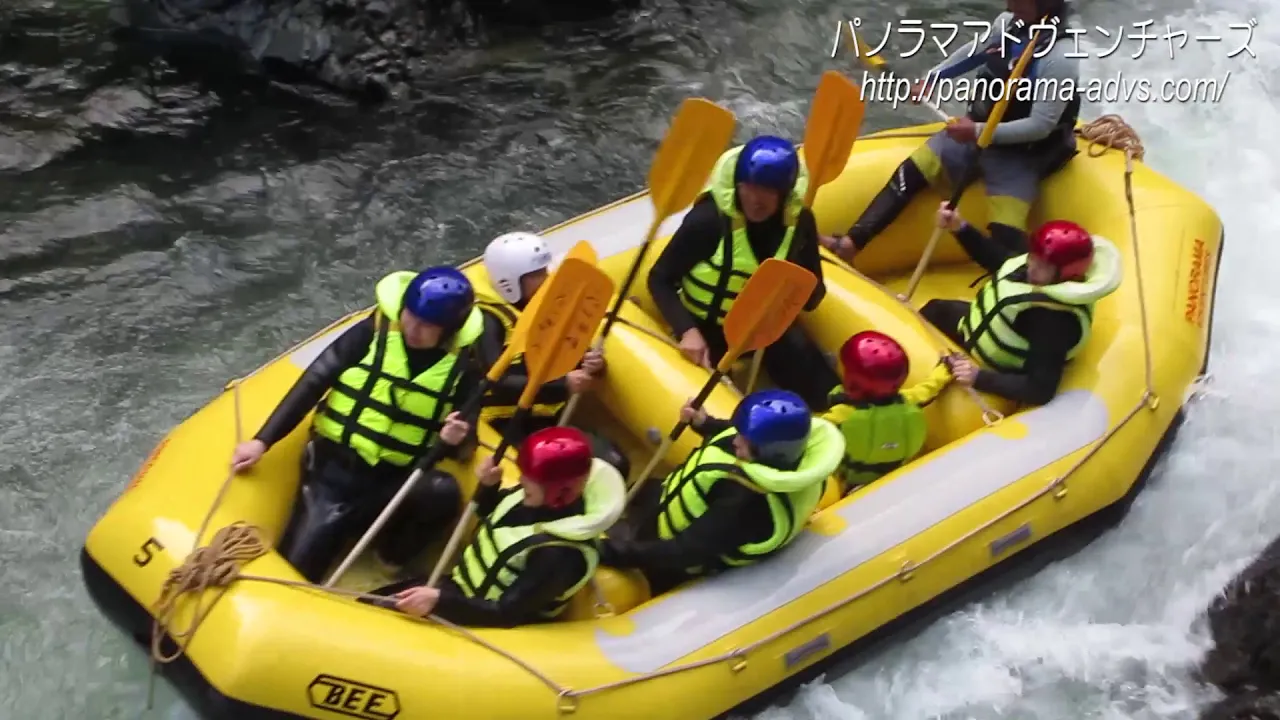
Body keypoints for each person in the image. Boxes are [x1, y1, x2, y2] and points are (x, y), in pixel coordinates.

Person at [229, 267, 486, 582]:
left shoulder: (464, 367)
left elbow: (466, 444)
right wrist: (262, 441)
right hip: (332, 476)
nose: (414, 328)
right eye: (410, 315)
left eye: (427, 325)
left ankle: (389, 558)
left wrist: (458, 438)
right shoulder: (371, 333)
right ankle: (331, 535)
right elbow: (313, 382)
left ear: (448, 330)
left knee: (442, 492)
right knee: (296, 573)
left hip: (394, 482)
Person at [823, 0, 1080, 259]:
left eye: (1019, 2)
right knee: (911, 171)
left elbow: (1040, 126)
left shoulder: (1060, 58)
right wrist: (932, 79)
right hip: (976, 132)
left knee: (1006, 235)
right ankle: (849, 245)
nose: (1010, 6)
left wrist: (977, 131)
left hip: (1020, 155)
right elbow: (976, 51)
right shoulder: (1008, 23)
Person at [647, 135, 840, 408]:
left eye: (768, 192)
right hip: (705, 329)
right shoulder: (708, 221)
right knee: (705, 405)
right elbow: (659, 278)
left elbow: (813, 294)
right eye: (749, 188)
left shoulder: (800, 223)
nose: (756, 200)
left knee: (817, 378)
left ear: (784, 194)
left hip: (765, 329)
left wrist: (790, 291)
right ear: (738, 185)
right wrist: (687, 330)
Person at [600, 390, 843, 593]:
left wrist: (609, 552)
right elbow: (729, 432)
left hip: (677, 557)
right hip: (673, 501)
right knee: (638, 492)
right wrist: (705, 423)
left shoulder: (745, 505)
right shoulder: (787, 455)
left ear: (770, 452)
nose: (736, 441)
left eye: (745, 441)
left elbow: (682, 551)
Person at [384, 427, 626, 627]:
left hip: (484, 623)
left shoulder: (560, 555)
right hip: (458, 591)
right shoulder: (531, 496)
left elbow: (507, 614)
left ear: (561, 490)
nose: (521, 480)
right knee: (371, 605)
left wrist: (440, 602)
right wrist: (488, 487)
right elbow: (494, 523)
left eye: (531, 479)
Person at [921, 202, 1121, 406]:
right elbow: (997, 259)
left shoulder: (1053, 321)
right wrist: (960, 227)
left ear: (1066, 276)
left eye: (1043, 266)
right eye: (1033, 257)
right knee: (937, 309)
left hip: (1002, 361)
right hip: (982, 328)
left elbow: (1040, 389)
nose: (1031, 267)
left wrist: (979, 378)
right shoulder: (1036, 270)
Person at [473, 231, 630, 477]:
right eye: (536, 275)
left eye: (545, 271)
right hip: (506, 425)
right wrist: (563, 384)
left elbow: (572, 351)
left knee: (614, 462)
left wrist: (594, 364)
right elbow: (497, 382)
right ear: (509, 282)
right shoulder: (488, 321)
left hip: (546, 420)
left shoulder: (553, 308)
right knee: (550, 472)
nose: (546, 279)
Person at [822, 331, 970, 493]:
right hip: (891, 477)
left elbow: (807, 431)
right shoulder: (908, 401)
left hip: (847, 483)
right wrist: (944, 370)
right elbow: (928, 389)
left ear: (852, 381)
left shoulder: (840, 417)